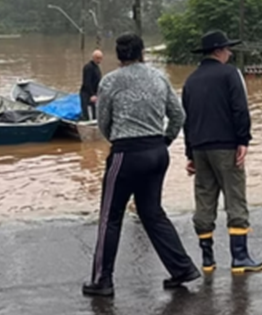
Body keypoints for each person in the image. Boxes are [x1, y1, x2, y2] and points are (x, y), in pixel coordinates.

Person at [83, 34, 199, 297]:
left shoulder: (110, 81)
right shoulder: (159, 77)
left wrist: (117, 139)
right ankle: (182, 268)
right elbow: (178, 115)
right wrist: (165, 140)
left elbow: (103, 121)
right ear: (142, 52)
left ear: (118, 54)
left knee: (110, 217)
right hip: (157, 152)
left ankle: (102, 280)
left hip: (126, 153)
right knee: (152, 213)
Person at [182, 30, 262, 275]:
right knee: (235, 197)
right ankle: (240, 258)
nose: (229, 53)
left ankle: (207, 260)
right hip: (226, 146)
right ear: (219, 51)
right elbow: (240, 108)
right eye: (227, 49)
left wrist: (189, 154)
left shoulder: (191, 80)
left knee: (204, 201)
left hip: (199, 148)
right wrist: (243, 140)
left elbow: (187, 119)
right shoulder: (230, 74)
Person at [80, 49, 103, 121]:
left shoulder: (96, 67)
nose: (99, 60)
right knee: (87, 115)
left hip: (95, 94)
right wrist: (92, 94)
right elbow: (87, 82)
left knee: (95, 114)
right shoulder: (88, 67)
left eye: (100, 58)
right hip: (87, 94)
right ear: (94, 57)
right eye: (98, 58)